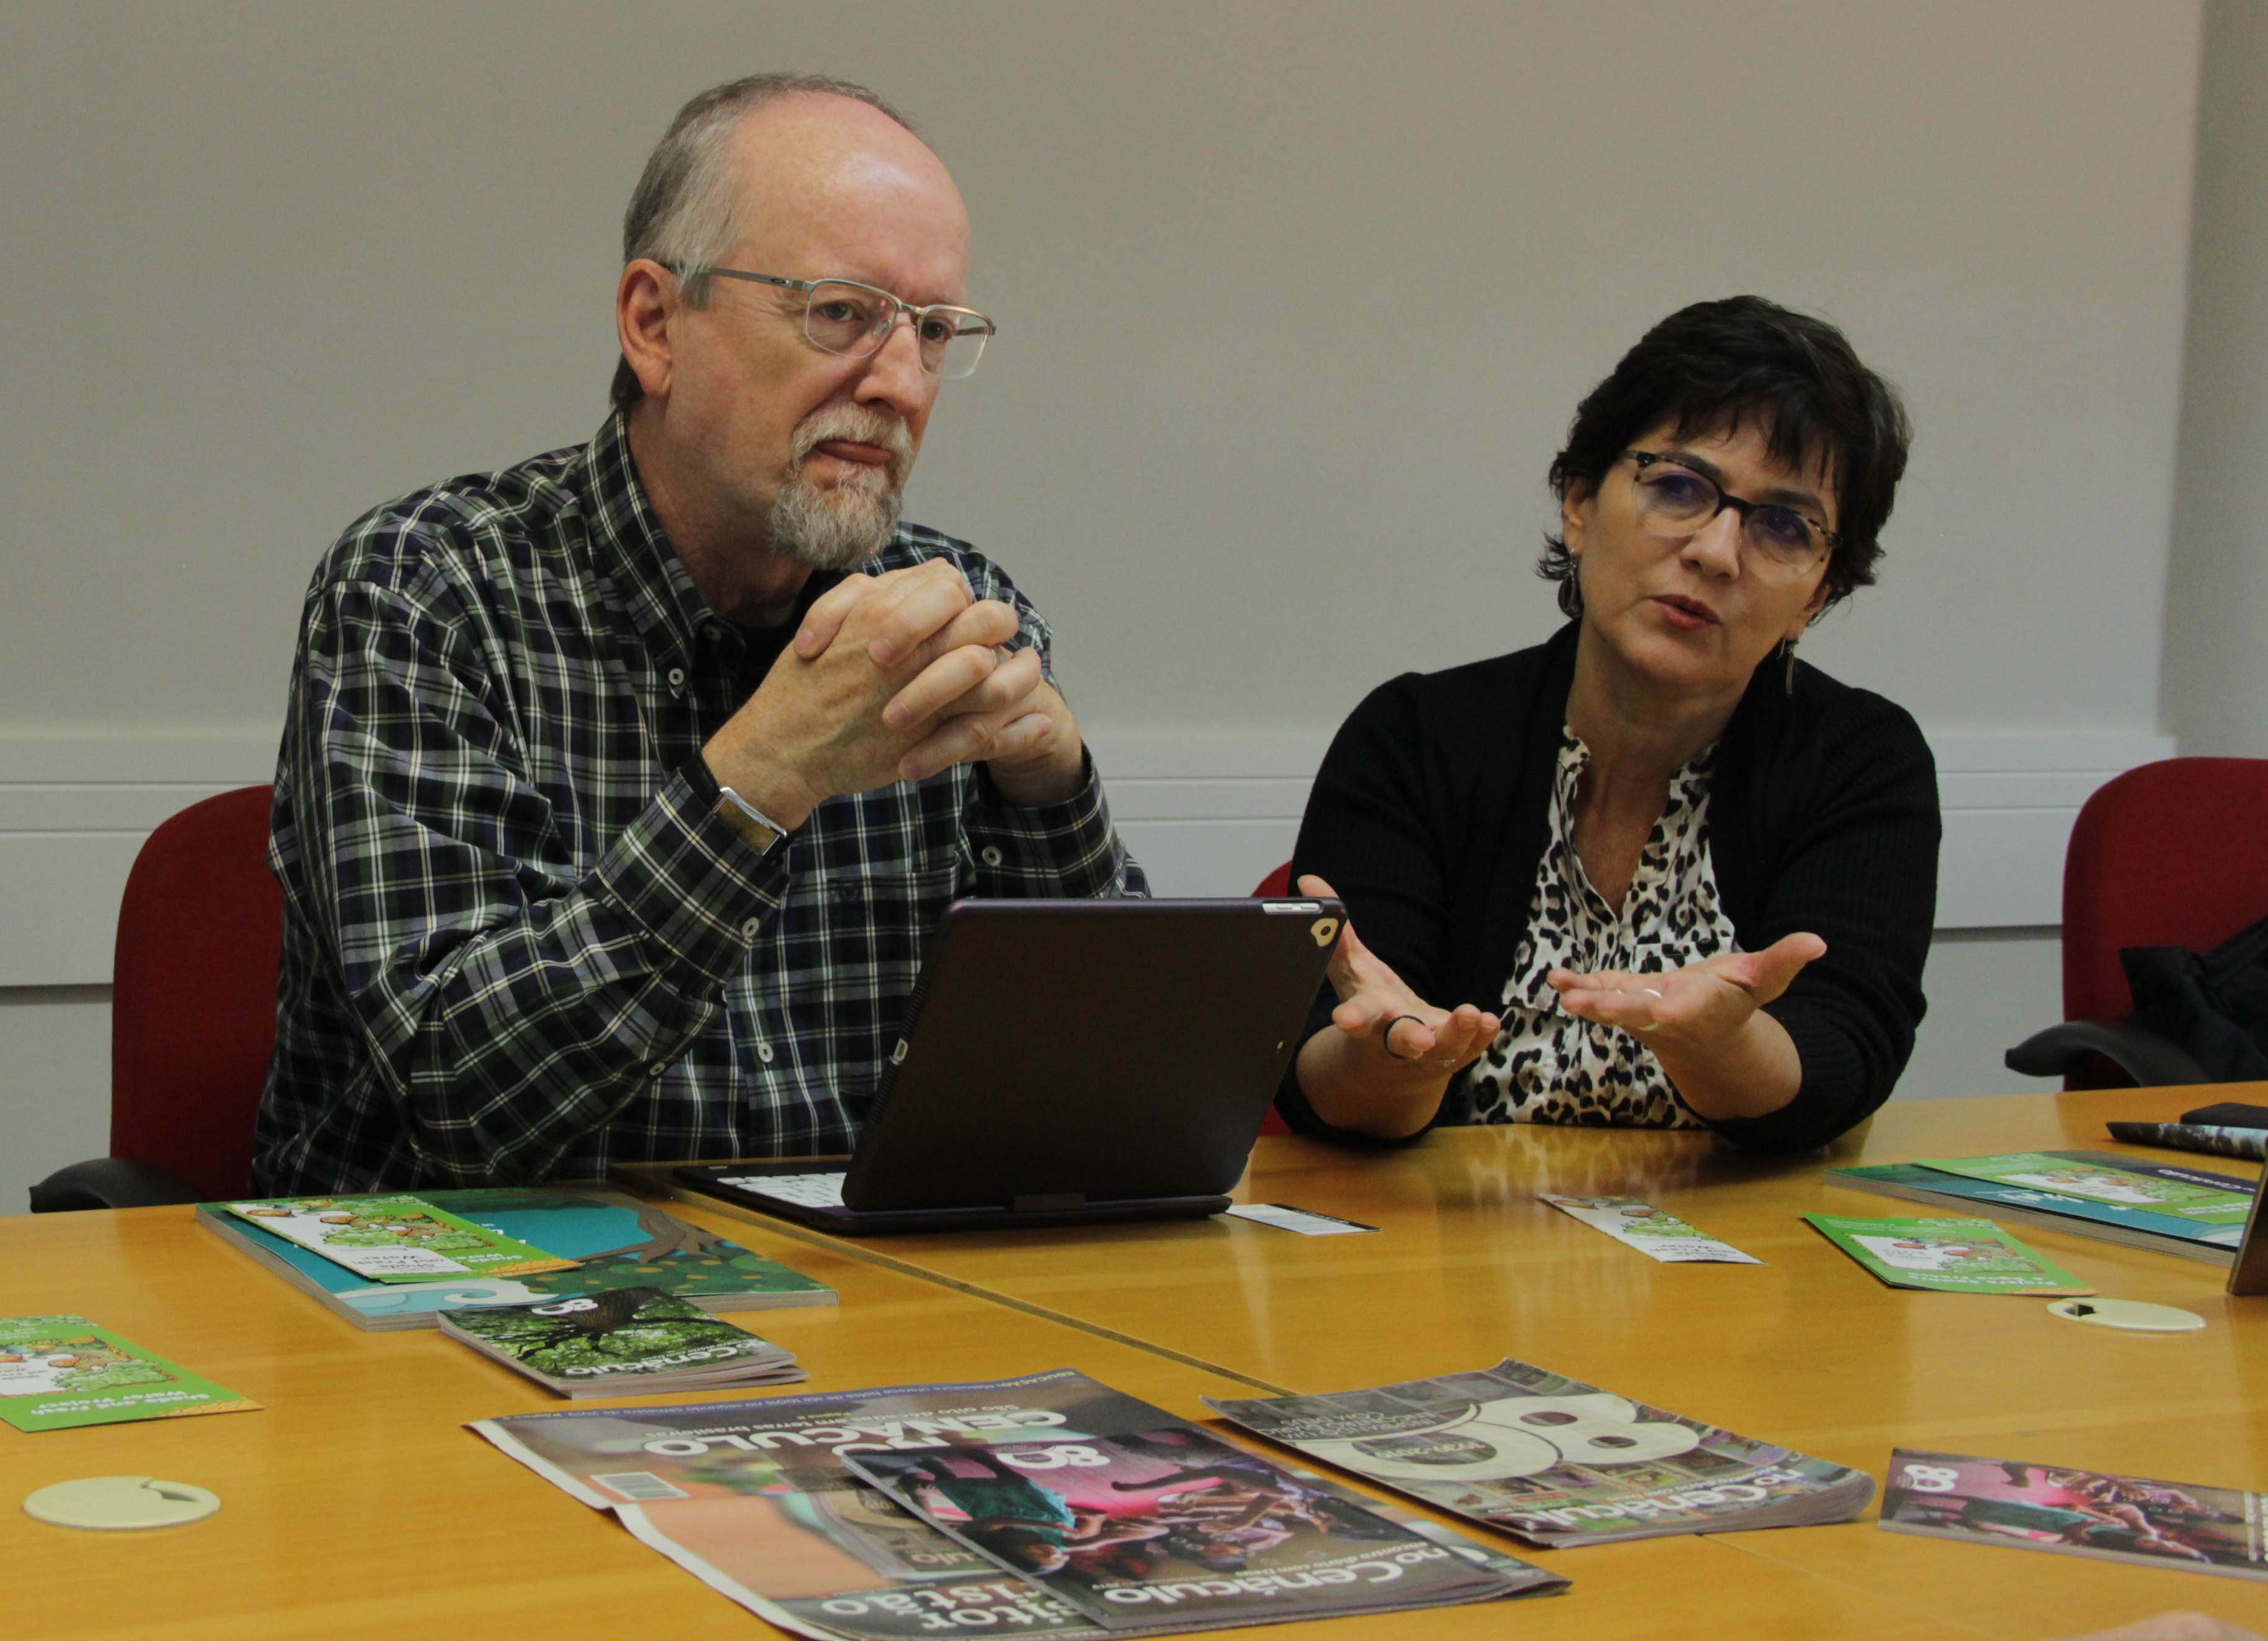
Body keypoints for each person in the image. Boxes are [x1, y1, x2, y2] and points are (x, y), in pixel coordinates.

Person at [252, 74, 1142, 1193]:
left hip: (875, 1313)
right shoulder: (428, 590)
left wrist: (1052, 793)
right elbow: (466, 1100)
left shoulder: (952, 604)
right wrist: (763, 776)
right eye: (841, 314)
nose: (902, 383)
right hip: (473, 1305)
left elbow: (1104, 1106)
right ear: (655, 323)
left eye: (932, 330)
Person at [1283, 297, 1933, 1153]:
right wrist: (1399, 1063)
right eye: (1679, 488)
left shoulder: (1859, 760)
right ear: (1581, 504)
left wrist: (1725, 1046)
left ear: (1817, 594)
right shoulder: (1414, 739)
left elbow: (1846, 1058)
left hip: (1745, 1261)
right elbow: (1320, 1079)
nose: (1715, 552)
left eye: (1783, 525)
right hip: (1443, 1254)